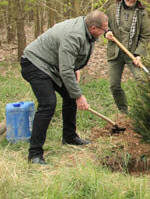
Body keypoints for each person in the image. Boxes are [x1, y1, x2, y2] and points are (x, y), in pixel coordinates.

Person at [21, 10, 109, 165]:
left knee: (69, 95)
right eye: (104, 30)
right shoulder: (74, 35)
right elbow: (65, 69)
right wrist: (79, 96)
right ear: (94, 28)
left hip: (51, 65)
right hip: (34, 63)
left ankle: (70, 137)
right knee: (48, 103)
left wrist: (76, 69)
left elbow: (69, 58)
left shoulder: (85, 28)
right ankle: (35, 154)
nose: (105, 32)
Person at [105, 0, 150, 114]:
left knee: (142, 82)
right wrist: (106, 32)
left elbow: (145, 36)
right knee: (114, 85)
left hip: (133, 54)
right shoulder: (112, 9)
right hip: (115, 52)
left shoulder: (141, 14)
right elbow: (104, 25)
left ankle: (145, 111)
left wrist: (138, 55)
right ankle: (123, 111)